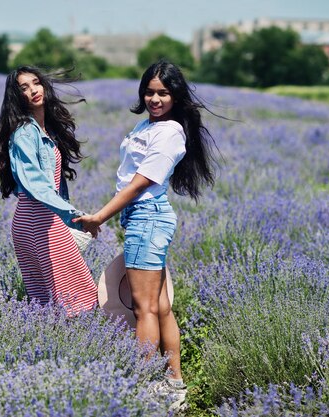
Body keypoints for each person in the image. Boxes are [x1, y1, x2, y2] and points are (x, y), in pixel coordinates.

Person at [74, 59, 217, 411]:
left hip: (147, 218)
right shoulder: (146, 125)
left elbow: (141, 183)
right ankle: (174, 386)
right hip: (143, 219)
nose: (155, 99)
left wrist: (100, 218)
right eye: (150, 92)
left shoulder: (168, 132)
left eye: (163, 93)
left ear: (176, 96)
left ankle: (144, 386)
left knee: (144, 309)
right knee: (161, 307)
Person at [0, 65, 98, 316]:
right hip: (38, 223)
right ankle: (69, 351)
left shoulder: (42, 130)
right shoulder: (25, 133)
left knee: (50, 303)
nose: (33, 90)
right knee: (74, 299)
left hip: (40, 221)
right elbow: (37, 185)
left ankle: (57, 351)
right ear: (17, 97)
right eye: (24, 88)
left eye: (36, 83)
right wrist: (75, 216)